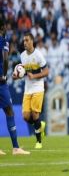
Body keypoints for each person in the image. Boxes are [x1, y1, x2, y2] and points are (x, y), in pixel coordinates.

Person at [13, 32, 48, 149]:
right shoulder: (22, 55)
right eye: (24, 41)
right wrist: (17, 76)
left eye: (27, 40)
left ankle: (39, 141)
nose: (25, 43)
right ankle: (40, 125)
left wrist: (35, 76)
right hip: (27, 89)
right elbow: (23, 72)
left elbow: (46, 71)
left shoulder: (38, 55)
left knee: (35, 113)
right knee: (26, 117)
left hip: (38, 87)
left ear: (32, 41)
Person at [0, 23, 30, 155]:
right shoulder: (3, 40)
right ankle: (16, 148)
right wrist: (4, 75)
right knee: (10, 111)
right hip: (0, 83)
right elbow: (6, 58)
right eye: (5, 27)